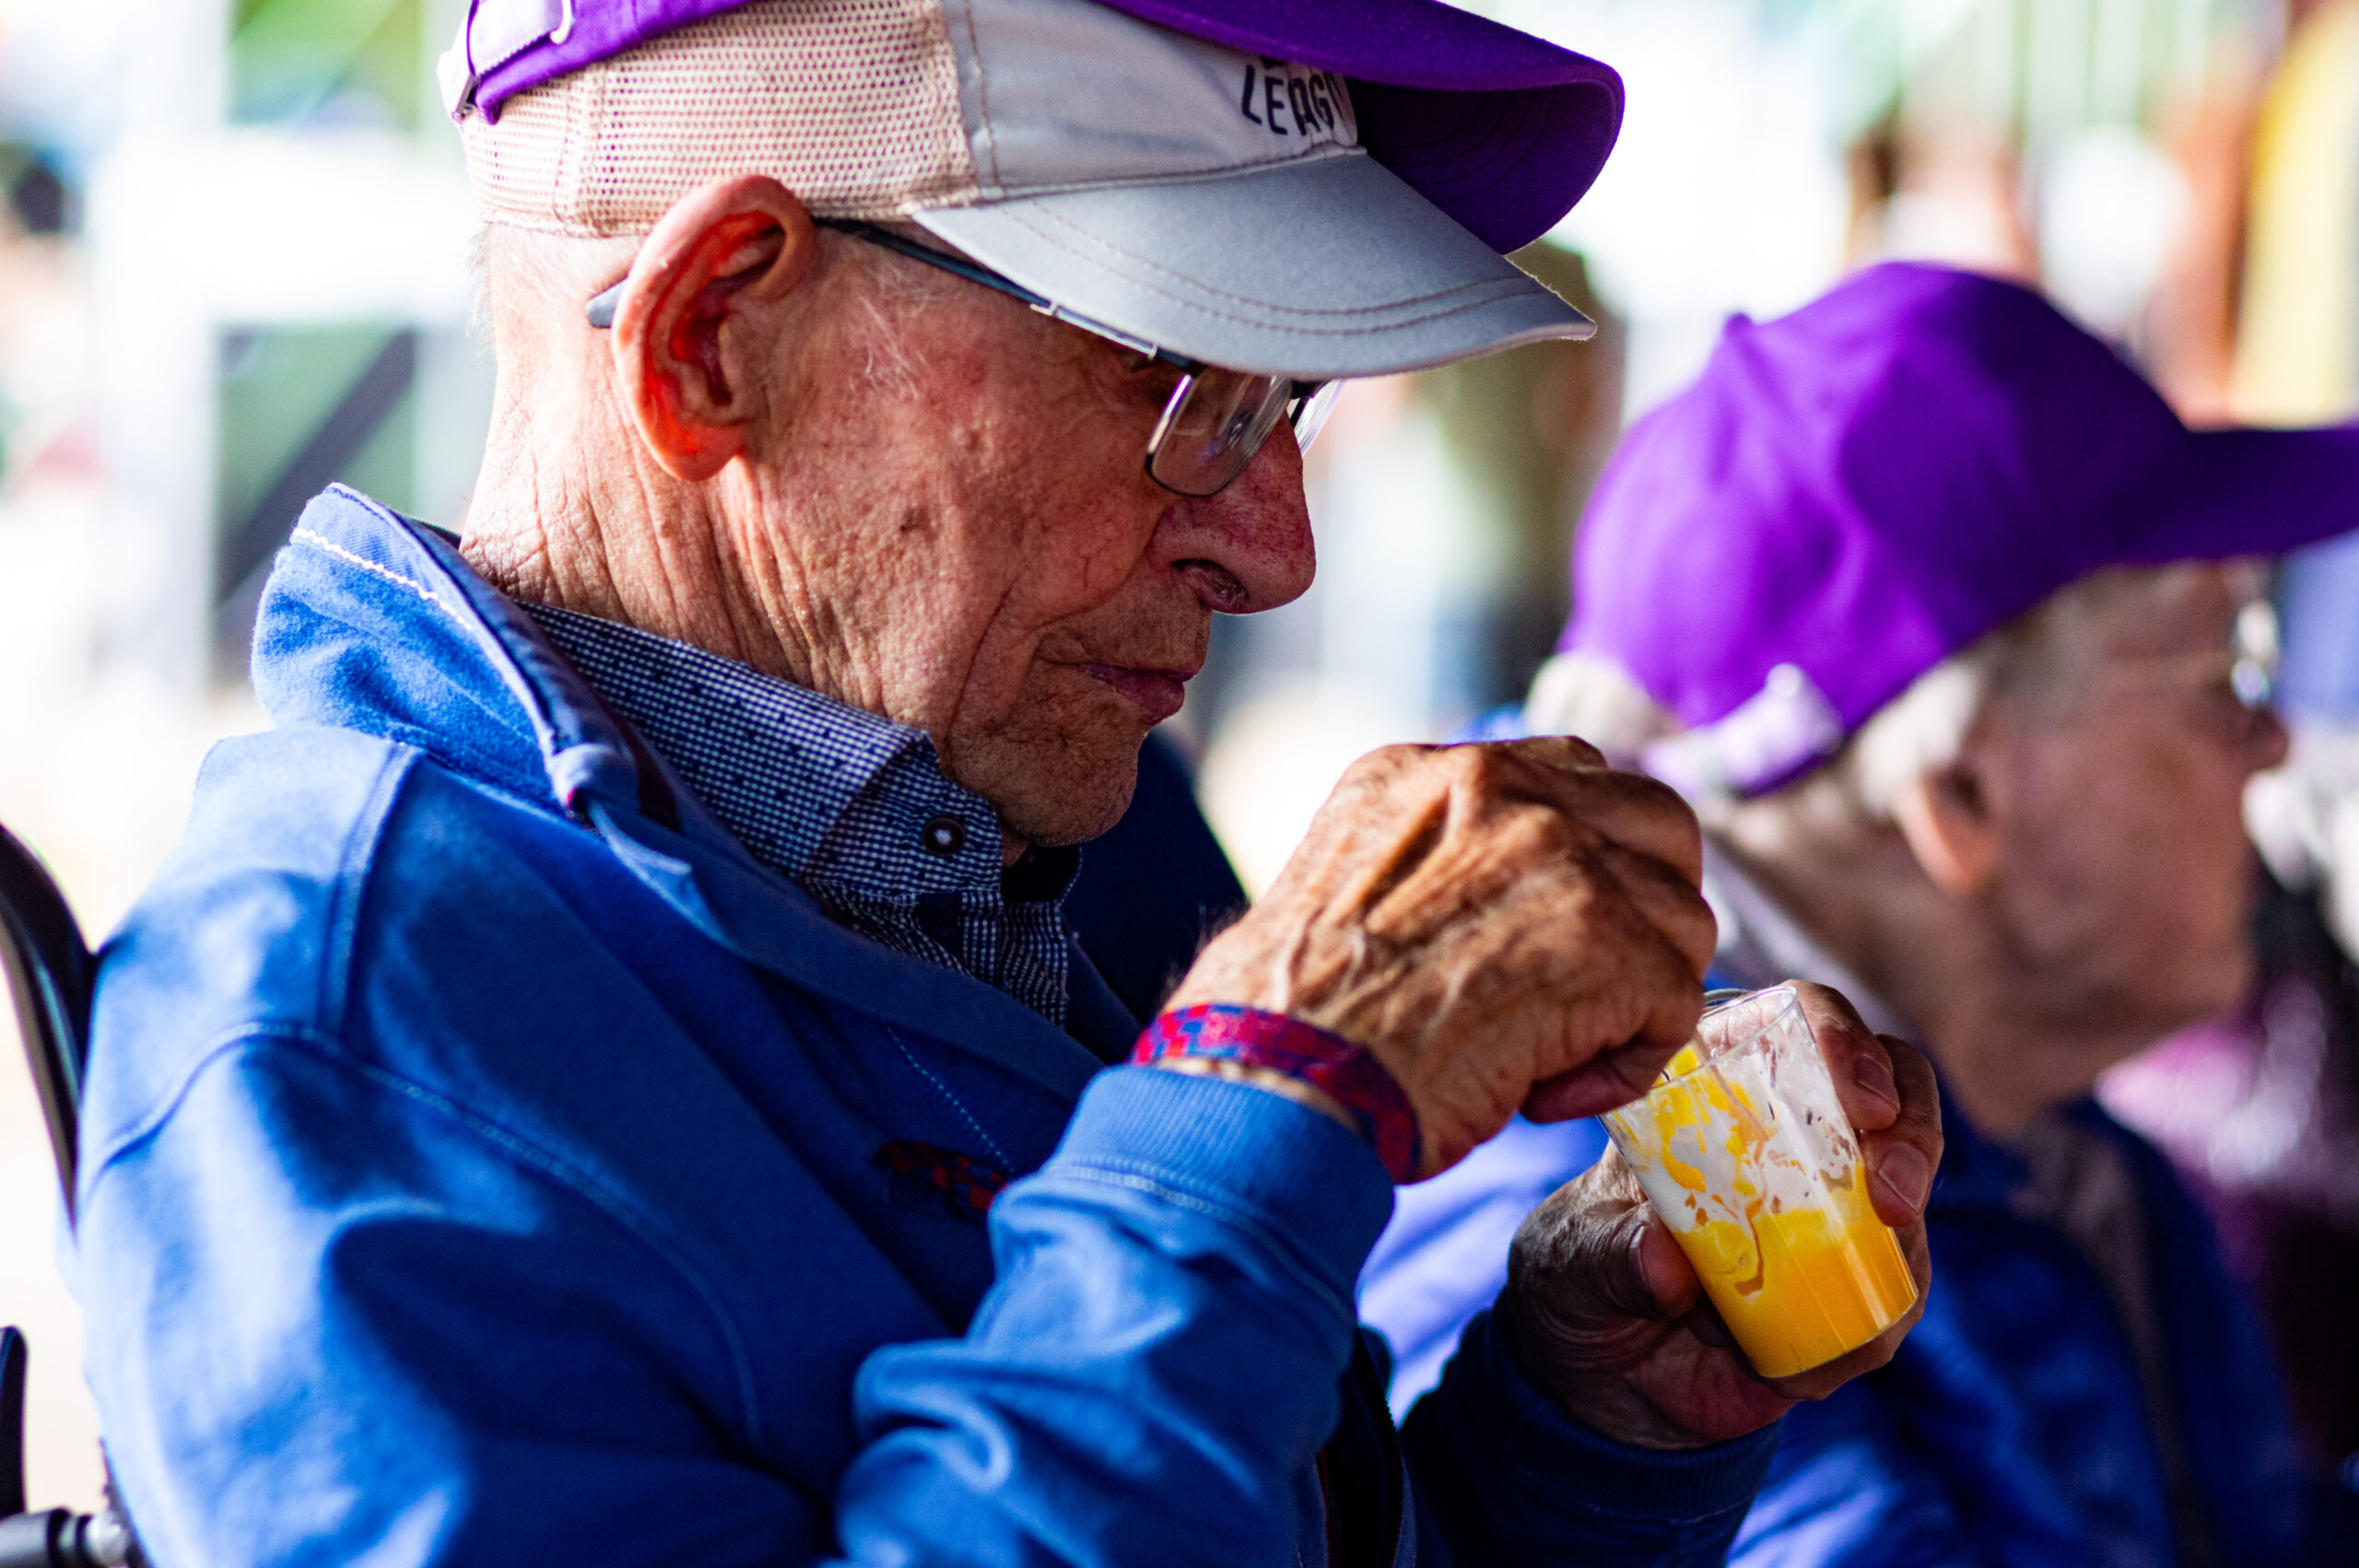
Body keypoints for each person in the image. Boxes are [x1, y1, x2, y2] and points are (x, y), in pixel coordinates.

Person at [67, 3, 1944, 1565]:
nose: (1275, 549)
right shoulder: (334, 1029)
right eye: (1188, 389)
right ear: (715, 333)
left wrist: (1575, 1437)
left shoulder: (1033, 842)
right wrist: (1251, 1107)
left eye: (1287, 404)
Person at [1361, 263, 2359, 1562]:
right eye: (2226, 661)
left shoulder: (2068, 1149)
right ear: (1959, 795)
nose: (2272, 742)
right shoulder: (1627, 1202)